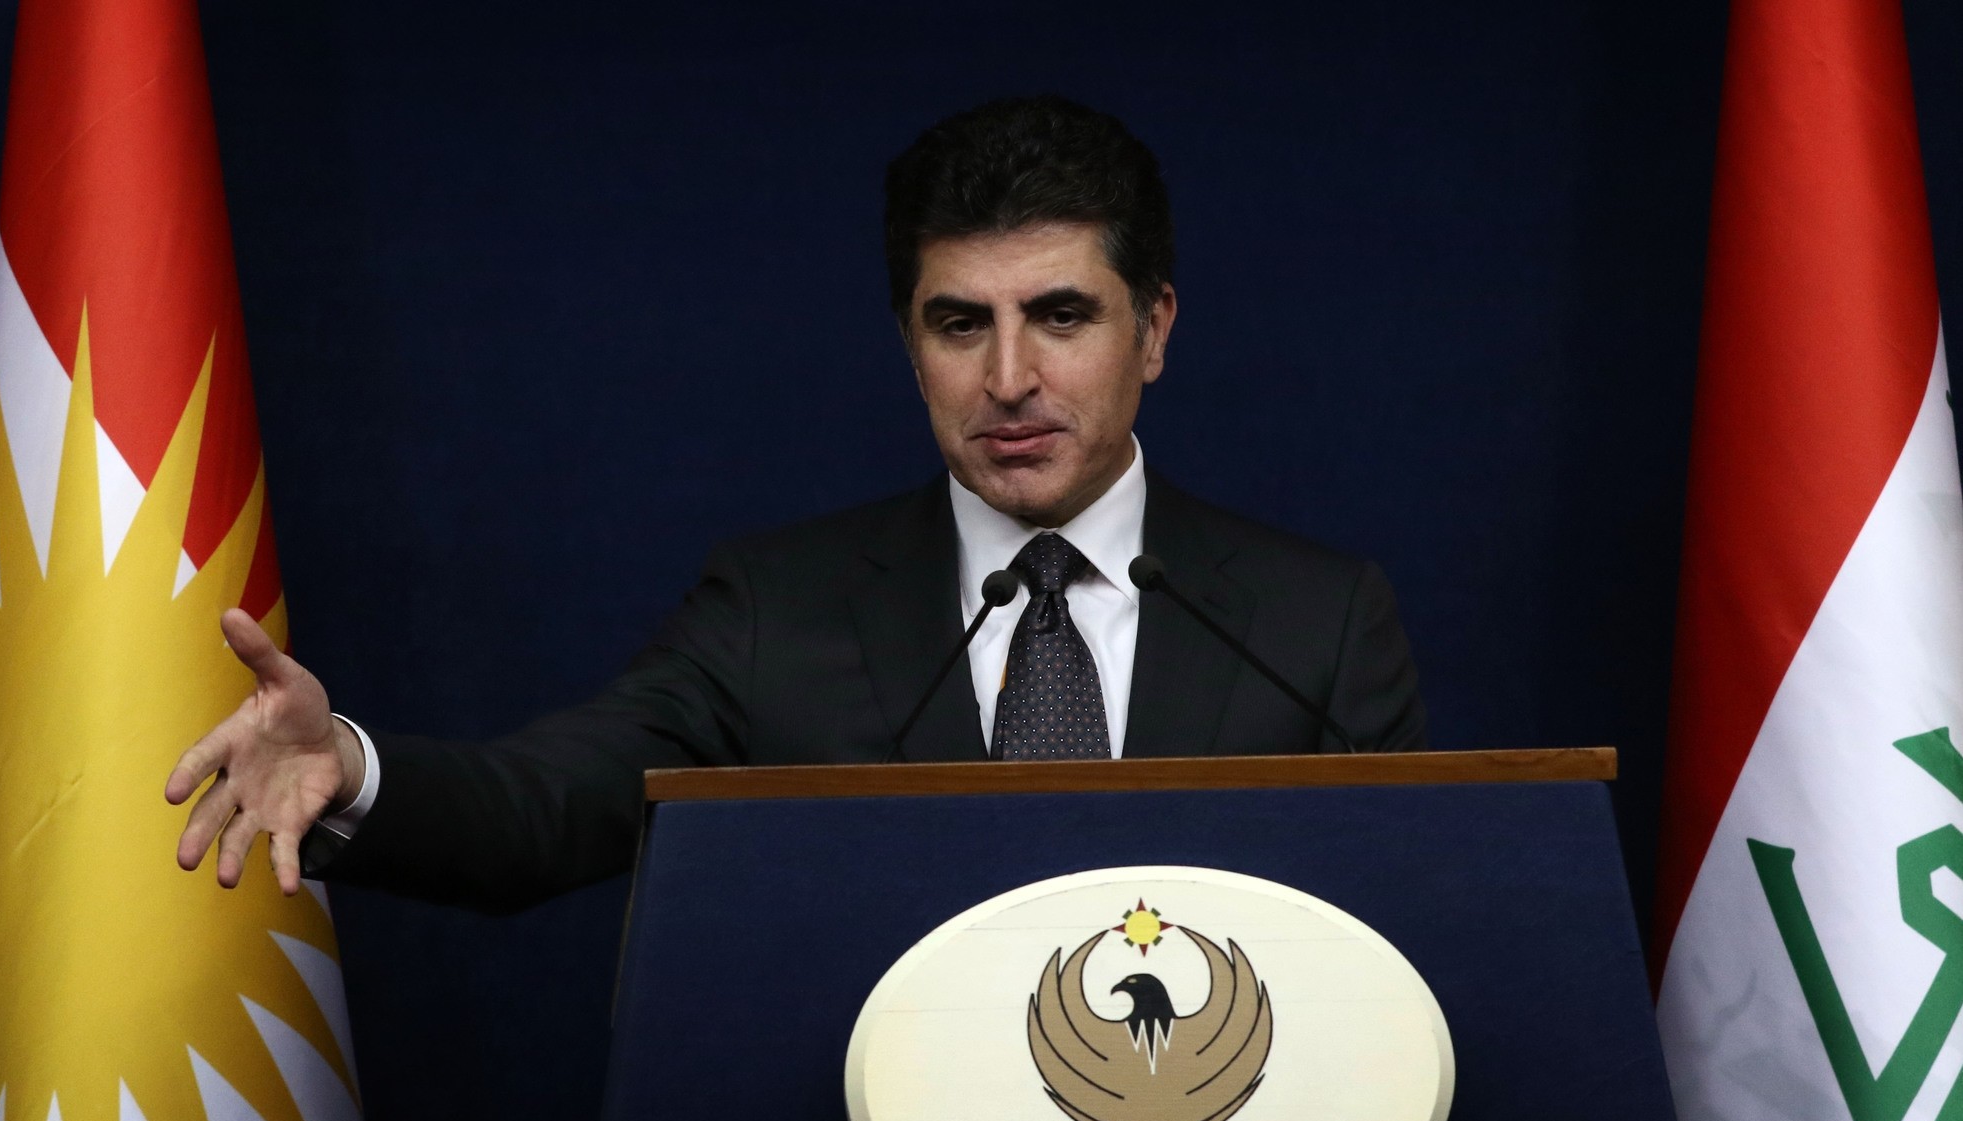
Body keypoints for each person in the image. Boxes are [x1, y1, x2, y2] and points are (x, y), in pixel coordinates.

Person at [165, 95, 1428, 913]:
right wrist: (353, 768)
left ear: (1151, 330)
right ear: (908, 345)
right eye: (959, 325)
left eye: (1059, 316)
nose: (1008, 377)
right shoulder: (777, 608)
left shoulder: (1313, 623)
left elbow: (1401, 939)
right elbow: (549, 804)